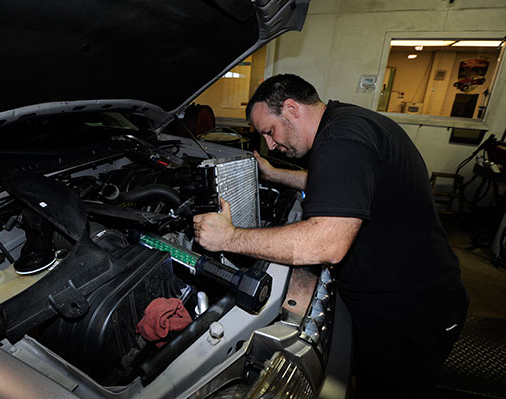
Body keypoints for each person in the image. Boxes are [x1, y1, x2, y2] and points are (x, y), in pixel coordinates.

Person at [193, 74, 468, 399]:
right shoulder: (346, 124)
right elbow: (332, 183)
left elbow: (326, 244)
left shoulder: (344, 139)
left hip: (410, 318)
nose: (269, 144)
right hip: (392, 303)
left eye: (269, 131)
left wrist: (228, 237)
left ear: (292, 108)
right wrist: (273, 173)